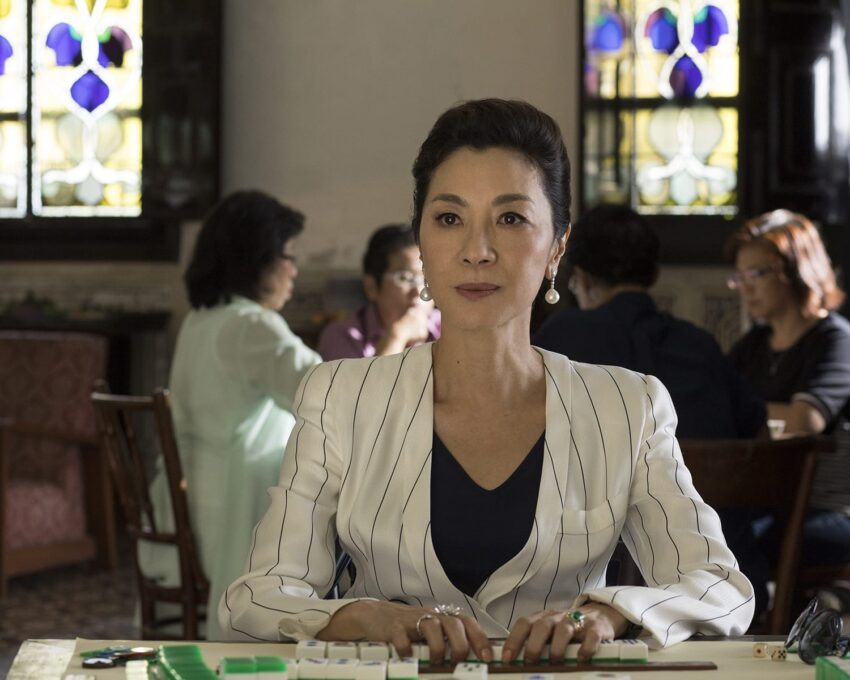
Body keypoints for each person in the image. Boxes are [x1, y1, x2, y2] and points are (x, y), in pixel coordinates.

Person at [221, 100, 753, 660]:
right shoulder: (339, 397)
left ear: (557, 247)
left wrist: (607, 614)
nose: (477, 251)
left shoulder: (628, 405)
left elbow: (721, 588)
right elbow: (255, 597)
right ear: (421, 242)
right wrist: (361, 615)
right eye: (449, 219)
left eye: (511, 218)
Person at [140, 190, 322, 640]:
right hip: (233, 512)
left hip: (189, 504)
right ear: (258, 258)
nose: (294, 270)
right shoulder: (249, 324)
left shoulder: (200, 320)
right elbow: (323, 391)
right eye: (288, 256)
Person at [534, 204, 766, 440]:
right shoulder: (700, 344)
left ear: (582, 279)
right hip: (708, 477)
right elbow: (758, 430)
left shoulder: (562, 337)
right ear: (654, 276)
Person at [726, 209, 850, 601]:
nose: (746, 288)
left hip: (828, 509)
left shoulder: (835, 339)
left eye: (757, 275)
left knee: (732, 540)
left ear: (797, 271)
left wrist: (750, 410)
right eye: (740, 278)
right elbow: (719, 404)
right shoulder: (753, 346)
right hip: (766, 501)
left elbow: (805, 419)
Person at [317, 224, 441, 359]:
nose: (419, 292)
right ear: (372, 287)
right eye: (405, 278)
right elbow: (370, 381)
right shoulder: (341, 336)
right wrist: (397, 336)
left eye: (427, 278)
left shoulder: (451, 328)